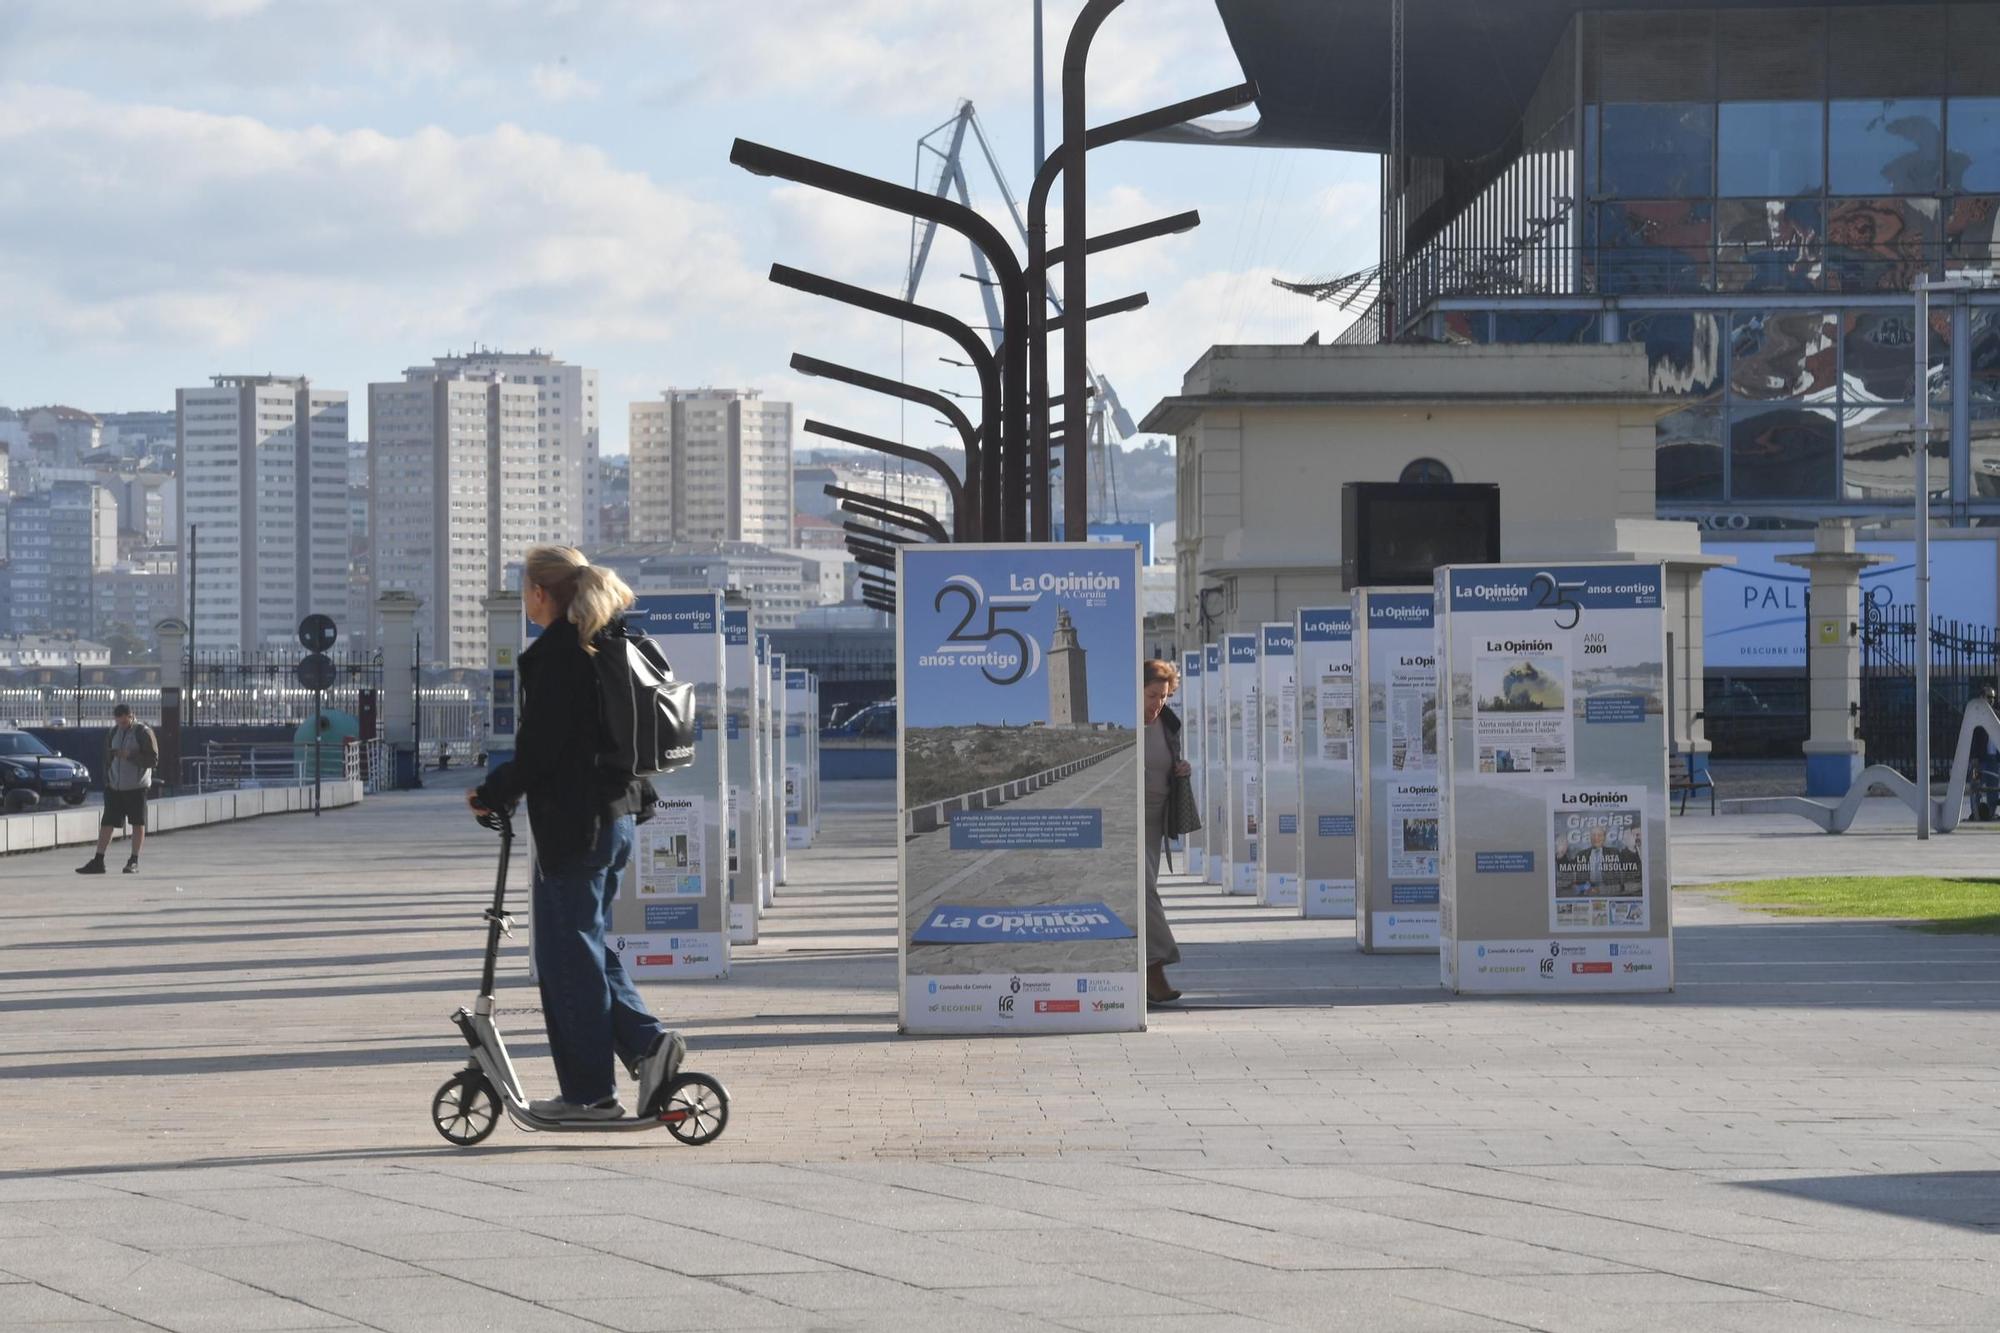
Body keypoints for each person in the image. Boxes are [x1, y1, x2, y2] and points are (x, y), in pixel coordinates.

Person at [469, 546, 685, 1122]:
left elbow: (540, 752)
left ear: (541, 593)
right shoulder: (611, 641)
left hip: (576, 827)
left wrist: (491, 792)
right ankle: (646, 1043)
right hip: (616, 820)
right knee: (585, 947)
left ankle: (590, 1094)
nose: (524, 601)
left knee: (567, 958)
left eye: (525, 591)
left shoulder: (559, 655)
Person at [1142, 658, 1190, 1004]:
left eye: (1164, 696)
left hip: (1157, 818)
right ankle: (1156, 964)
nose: (1158, 703)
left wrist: (1181, 770)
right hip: (1128, 816)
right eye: (1152, 695)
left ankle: (1145, 968)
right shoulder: (1124, 724)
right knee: (1142, 888)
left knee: (1146, 887)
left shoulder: (1168, 723)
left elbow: (1167, 763)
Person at [78, 703, 156, 875]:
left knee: (137, 823)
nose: (121, 725)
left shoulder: (143, 732)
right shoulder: (113, 732)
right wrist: (108, 780)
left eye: (124, 721)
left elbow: (153, 759)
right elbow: (107, 758)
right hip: (115, 787)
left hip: (136, 786)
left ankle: (133, 860)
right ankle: (98, 860)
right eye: (118, 722)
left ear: (131, 716)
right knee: (107, 823)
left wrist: (131, 756)